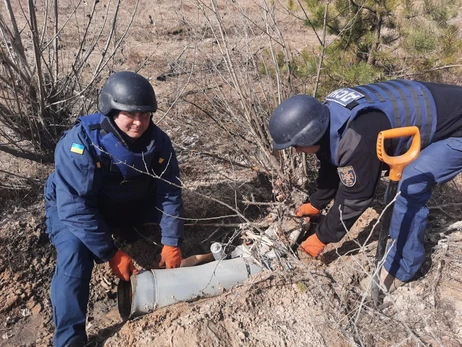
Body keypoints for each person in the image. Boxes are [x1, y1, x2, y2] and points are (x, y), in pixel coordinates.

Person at [269, 79, 462, 292]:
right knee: (401, 186)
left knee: (408, 185)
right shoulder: (328, 116)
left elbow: (355, 196)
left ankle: (402, 267)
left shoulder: (359, 136)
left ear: (311, 133)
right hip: (441, 104)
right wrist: (316, 203)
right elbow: (331, 160)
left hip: (457, 128)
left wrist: (322, 237)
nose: (296, 151)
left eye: (297, 145)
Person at [44, 71, 184, 347]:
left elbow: (169, 190)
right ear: (110, 109)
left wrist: (171, 241)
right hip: (75, 208)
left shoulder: (159, 142)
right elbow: (75, 207)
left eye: (145, 114)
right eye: (130, 114)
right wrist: (110, 253)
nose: (139, 122)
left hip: (126, 202)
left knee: (173, 224)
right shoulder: (79, 143)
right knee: (74, 254)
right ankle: (69, 338)